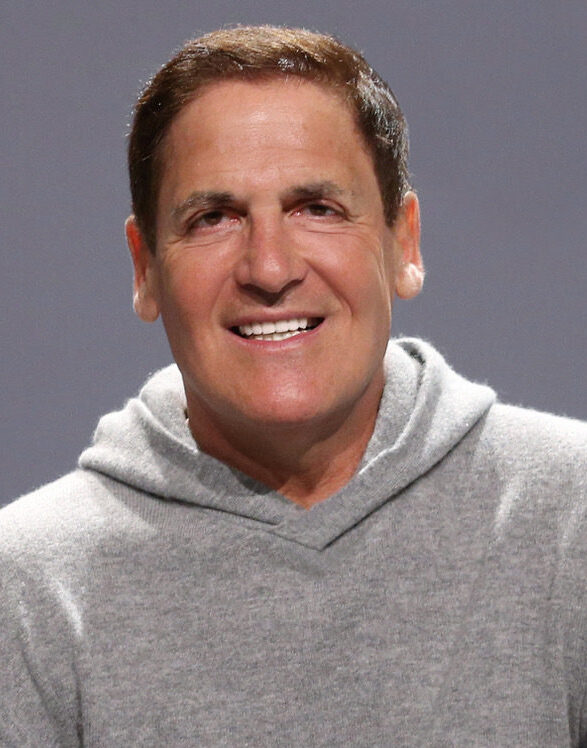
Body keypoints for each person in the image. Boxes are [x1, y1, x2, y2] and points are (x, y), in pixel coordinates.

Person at [1, 25, 585, 747]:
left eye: (317, 209)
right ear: (144, 267)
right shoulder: (28, 585)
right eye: (213, 218)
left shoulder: (571, 517)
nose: (270, 268)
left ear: (403, 242)